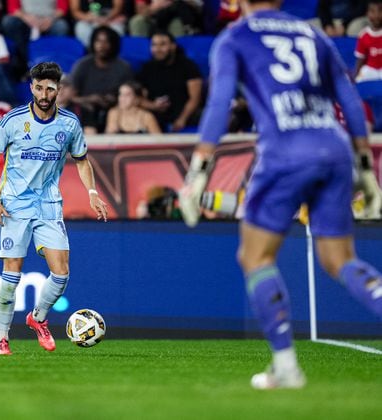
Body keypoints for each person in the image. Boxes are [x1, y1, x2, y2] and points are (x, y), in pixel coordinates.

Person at [179, 0, 382, 389]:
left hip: (285, 152)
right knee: (341, 260)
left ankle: (287, 367)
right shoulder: (314, 34)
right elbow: (350, 99)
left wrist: (199, 171)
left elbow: (220, 104)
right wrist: (366, 168)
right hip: (335, 150)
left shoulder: (235, 37)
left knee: (255, 256)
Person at [0, 61, 108, 355]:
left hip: (49, 204)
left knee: (61, 273)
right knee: (11, 273)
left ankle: (37, 318)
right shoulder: (13, 120)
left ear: (58, 90)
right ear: (32, 88)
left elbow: (82, 159)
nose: (44, 93)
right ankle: (1, 339)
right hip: (14, 205)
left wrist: (92, 192)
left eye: (50, 88)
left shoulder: (69, 123)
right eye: (39, 87)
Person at [70, 25, 133, 133]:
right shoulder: (83, 65)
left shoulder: (123, 67)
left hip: (116, 110)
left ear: (113, 45)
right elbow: (70, 97)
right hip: (86, 110)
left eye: (106, 42)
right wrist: (90, 99)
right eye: (98, 41)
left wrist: (114, 100)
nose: (101, 46)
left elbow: (132, 97)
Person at [136, 31, 202, 132]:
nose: (158, 49)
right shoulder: (147, 68)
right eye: (154, 45)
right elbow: (140, 98)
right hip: (157, 114)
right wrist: (153, 105)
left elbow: (195, 99)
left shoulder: (188, 66)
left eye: (162, 44)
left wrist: (182, 119)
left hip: (185, 113)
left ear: (173, 46)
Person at [354, 0, 382, 81]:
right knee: (361, 77)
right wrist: (355, 76)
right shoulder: (363, 35)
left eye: (380, 11)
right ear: (367, 13)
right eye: (372, 11)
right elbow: (360, 60)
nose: (376, 15)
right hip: (371, 69)